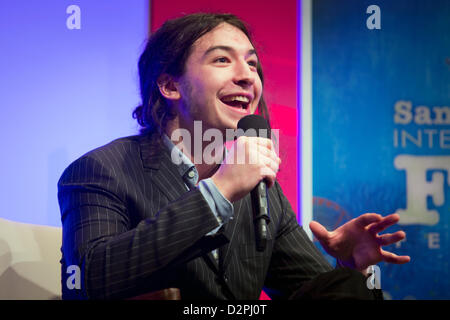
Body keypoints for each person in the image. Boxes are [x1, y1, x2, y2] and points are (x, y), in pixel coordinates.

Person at [58, 13, 410, 300]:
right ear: (169, 86)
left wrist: (350, 269)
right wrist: (219, 191)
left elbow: (313, 295)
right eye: (223, 60)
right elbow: (89, 282)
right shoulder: (100, 170)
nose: (247, 77)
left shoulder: (262, 191)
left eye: (252, 64)